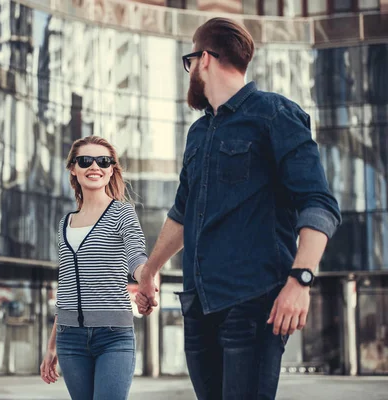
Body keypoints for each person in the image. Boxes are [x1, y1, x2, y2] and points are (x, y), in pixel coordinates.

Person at [135, 17, 341, 400]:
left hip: (253, 302)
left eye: (190, 63)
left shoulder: (275, 114)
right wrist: (149, 272)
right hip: (200, 304)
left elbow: (319, 203)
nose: (190, 72)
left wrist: (301, 281)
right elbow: (182, 212)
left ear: (205, 60)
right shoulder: (198, 132)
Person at [40, 135, 148, 400]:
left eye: (103, 161)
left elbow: (136, 257)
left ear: (111, 170)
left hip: (114, 337)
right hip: (70, 341)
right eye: (85, 160)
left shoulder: (123, 214)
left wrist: (146, 279)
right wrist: (52, 346)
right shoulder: (65, 223)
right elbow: (66, 286)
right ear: (73, 169)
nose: (94, 166)